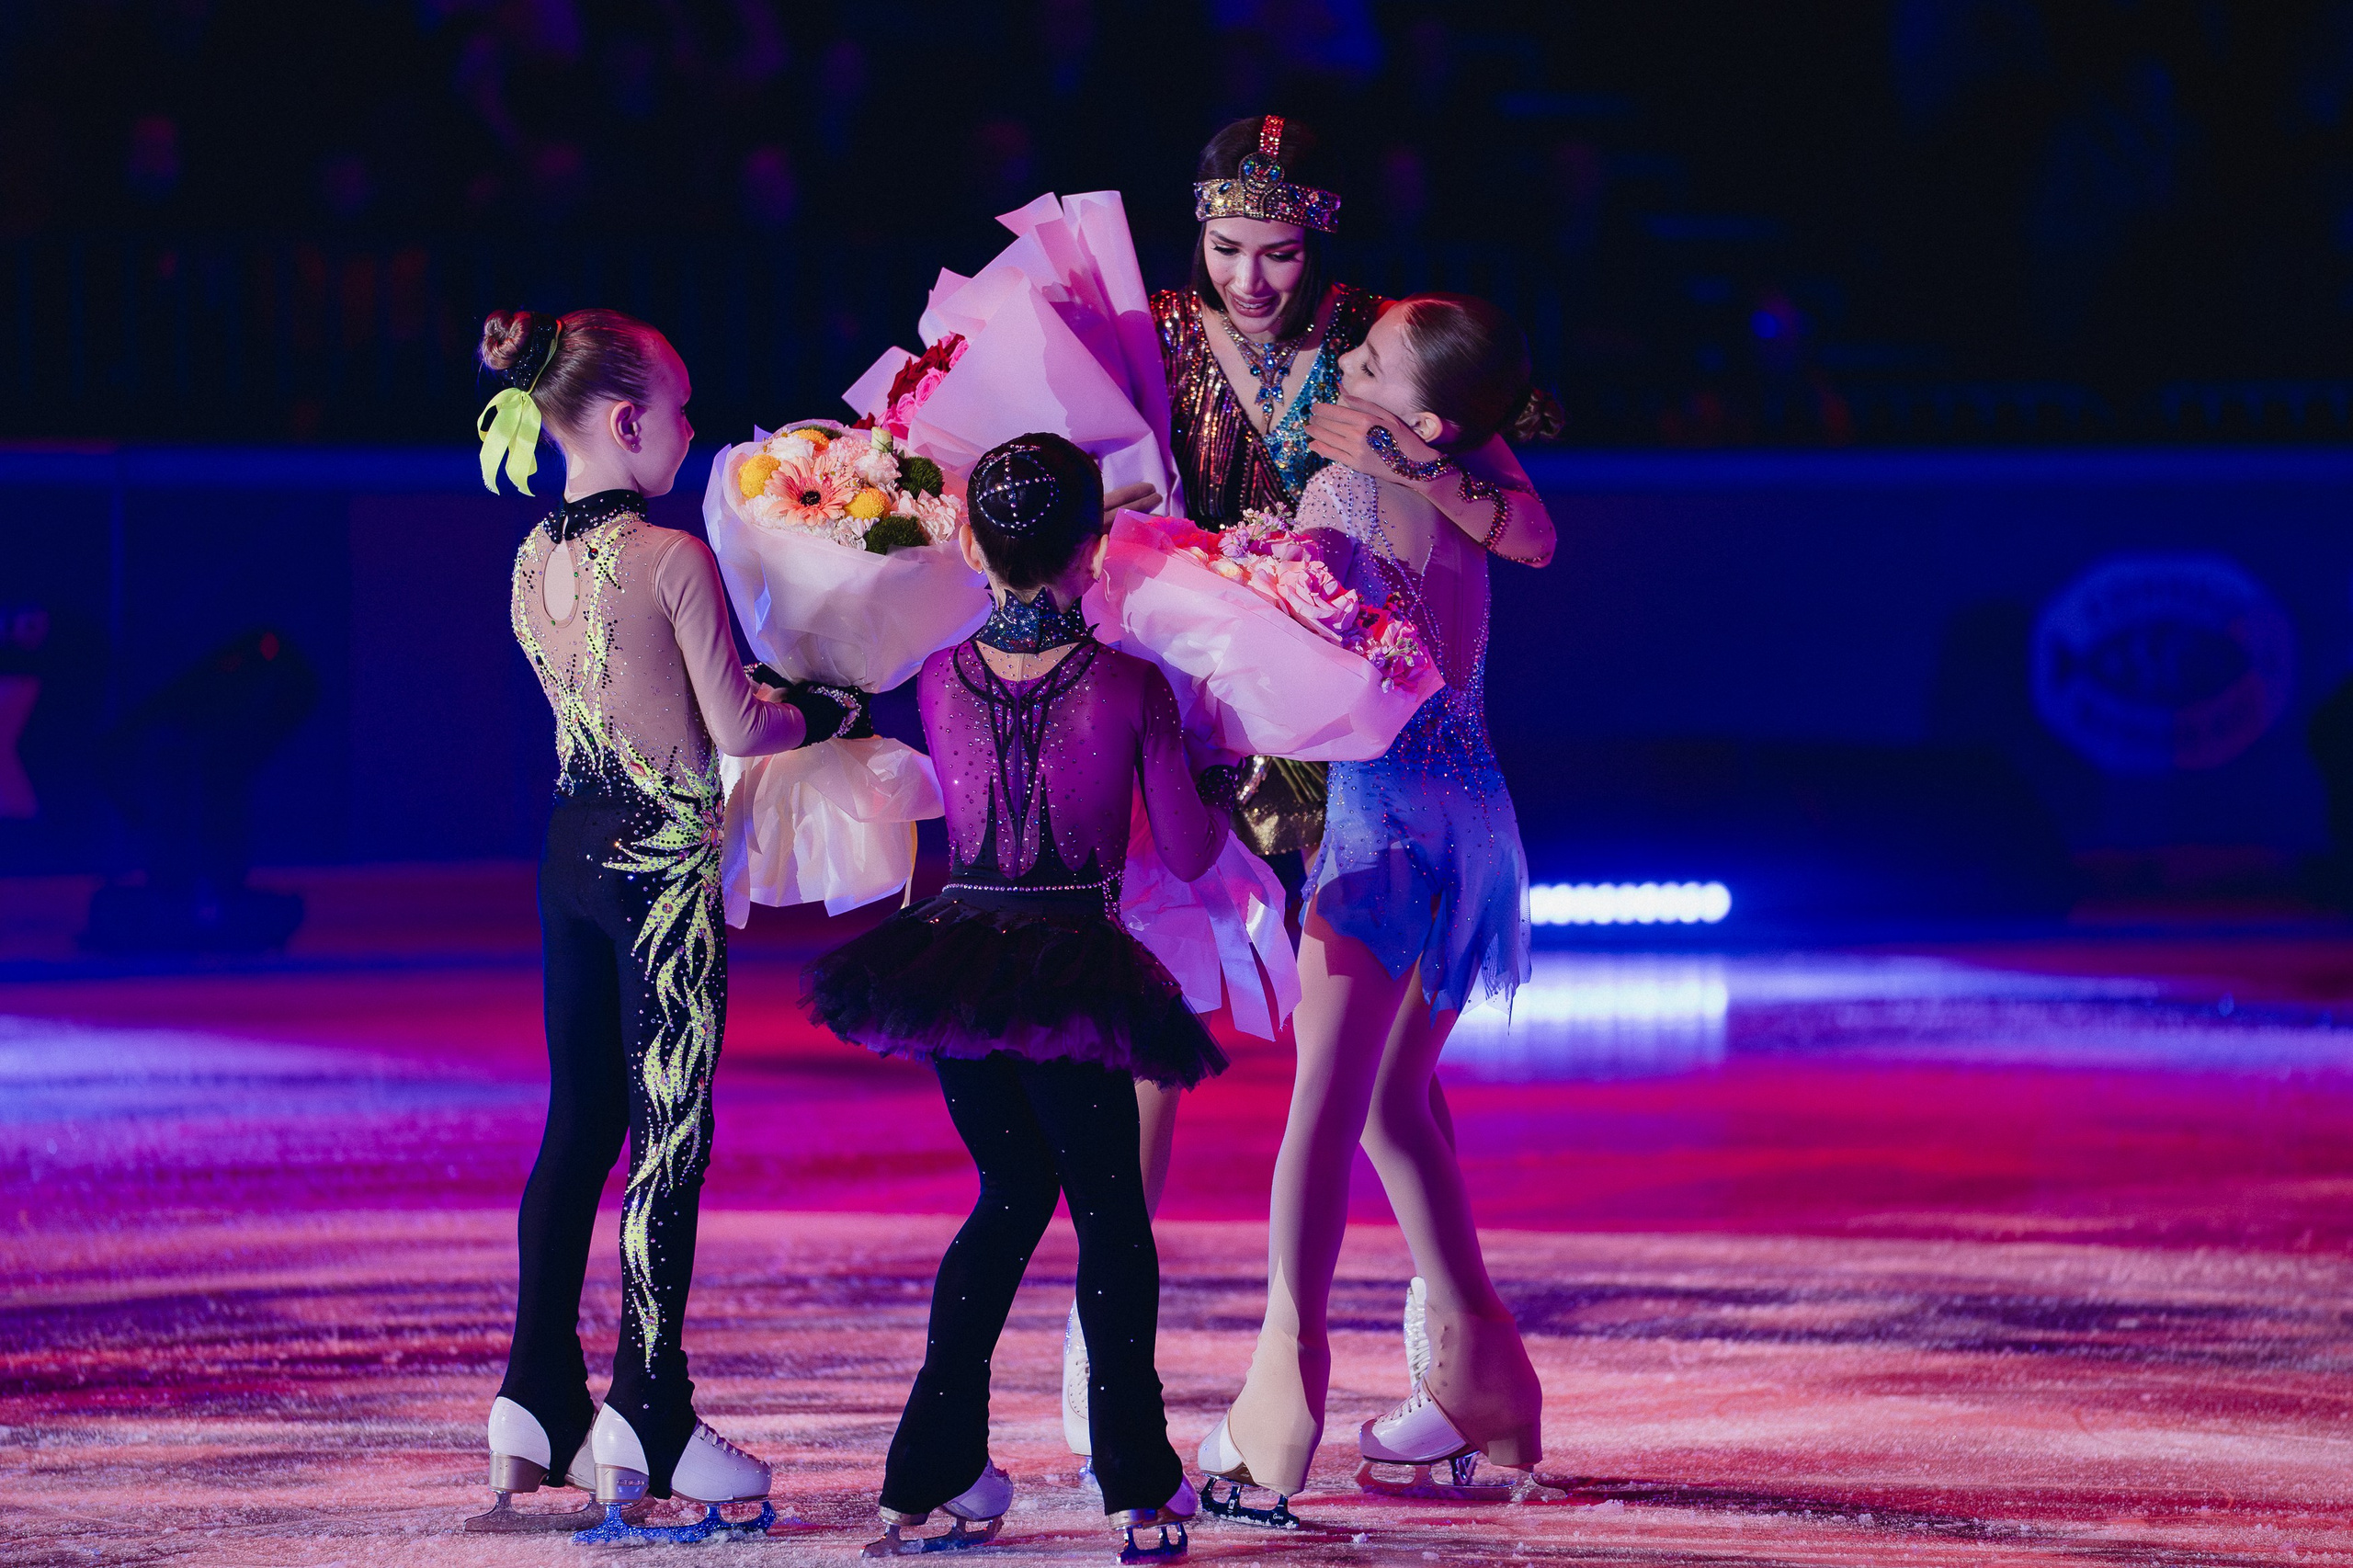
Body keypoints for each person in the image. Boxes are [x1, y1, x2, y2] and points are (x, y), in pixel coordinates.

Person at [468, 307, 870, 1544]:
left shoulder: (532, 555)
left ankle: (534, 1394)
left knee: (577, 1122)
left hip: (566, 857)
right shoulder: (671, 556)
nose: (693, 433)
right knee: (668, 1131)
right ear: (629, 421)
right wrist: (839, 703)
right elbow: (741, 728)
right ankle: (649, 1408)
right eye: (682, 413)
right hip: (655, 874)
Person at [802, 434, 1231, 1563]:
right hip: (1071, 970)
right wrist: (1222, 764)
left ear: (971, 544)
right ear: (1093, 553)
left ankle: (929, 1471)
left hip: (954, 964)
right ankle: (1137, 1483)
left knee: (1004, 1197)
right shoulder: (1132, 686)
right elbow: (1187, 856)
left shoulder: (937, 673)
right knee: (1108, 1220)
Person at [1195, 293, 1563, 1521]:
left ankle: (1279, 1406)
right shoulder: (1474, 461)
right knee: (1397, 1105)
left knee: (1323, 1114)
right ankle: (1486, 1379)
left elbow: (1313, 681)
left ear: (1428, 409)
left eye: (1368, 358)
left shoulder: (1338, 495)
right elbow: (1529, 539)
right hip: (1481, 825)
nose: (1341, 363)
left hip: (1383, 831)